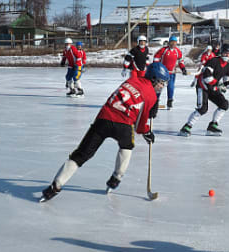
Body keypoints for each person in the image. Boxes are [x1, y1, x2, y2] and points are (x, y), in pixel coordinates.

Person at [40, 63, 170, 202]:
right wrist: (147, 132)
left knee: (81, 155)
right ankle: (116, 178)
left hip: (103, 119)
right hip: (124, 124)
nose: (162, 86)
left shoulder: (131, 80)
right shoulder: (151, 95)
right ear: (154, 78)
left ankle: (55, 186)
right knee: (127, 146)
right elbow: (139, 125)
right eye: (161, 82)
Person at [178, 44, 229, 137]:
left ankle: (213, 126)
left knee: (224, 104)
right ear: (221, 53)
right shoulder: (213, 61)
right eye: (225, 53)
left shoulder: (228, 67)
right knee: (203, 109)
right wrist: (219, 85)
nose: (227, 55)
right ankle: (186, 127)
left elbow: (227, 82)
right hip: (203, 87)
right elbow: (207, 77)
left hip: (213, 88)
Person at [153, 36, 187, 109]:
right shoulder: (164, 50)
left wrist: (183, 68)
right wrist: (156, 67)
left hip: (171, 73)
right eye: (172, 42)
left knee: (171, 87)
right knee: (159, 87)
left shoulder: (177, 51)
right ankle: (155, 101)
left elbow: (180, 61)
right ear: (169, 42)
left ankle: (169, 101)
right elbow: (156, 58)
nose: (173, 44)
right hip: (162, 73)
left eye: (175, 42)